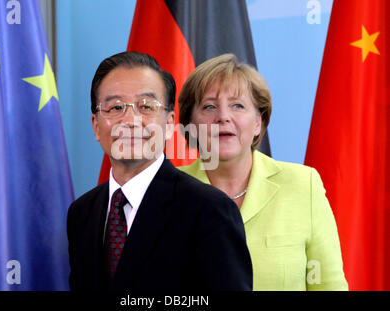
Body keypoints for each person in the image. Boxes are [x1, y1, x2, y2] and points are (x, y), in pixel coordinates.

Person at [67, 51, 252, 291]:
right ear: (95, 125)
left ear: (168, 124)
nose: (131, 120)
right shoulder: (81, 213)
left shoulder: (209, 209)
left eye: (146, 106)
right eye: (115, 107)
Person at [178, 53, 348, 291]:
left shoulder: (303, 185)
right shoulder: (166, 192)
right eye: (209, 106)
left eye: (238, 105)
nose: (223, 117)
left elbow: (328, 286)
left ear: (258, 123)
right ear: (191, 124)